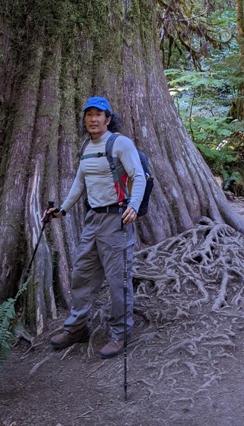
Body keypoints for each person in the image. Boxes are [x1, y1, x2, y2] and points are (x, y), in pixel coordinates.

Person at [45, 96, 146, 359]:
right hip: (93, 220)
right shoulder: (86, 147)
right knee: (81, 274)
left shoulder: (120, 143)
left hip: (117, 219)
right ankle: (77, 327)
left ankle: (120, 333)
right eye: (88, 114)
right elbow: (80, 183)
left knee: (117, 280)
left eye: (98, 114)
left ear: (108, 118)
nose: (93, 119)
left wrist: (133, 206)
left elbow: (137, 176)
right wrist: (62, 210)